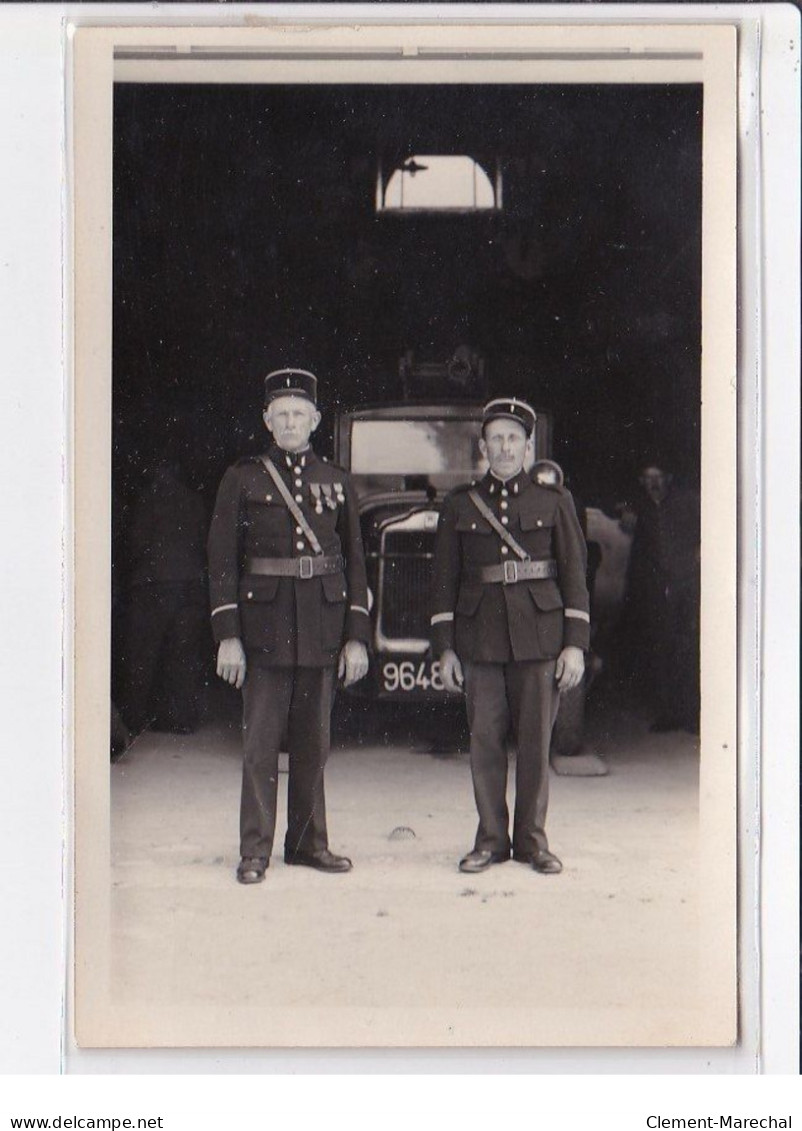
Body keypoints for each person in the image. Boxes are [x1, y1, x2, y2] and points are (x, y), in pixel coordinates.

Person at [208, 369, 370, 884]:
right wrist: (228, 634)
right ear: (267, 420)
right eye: (281, 414)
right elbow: (222, 561)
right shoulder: (243, 478)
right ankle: (254, 850)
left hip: (321, 628)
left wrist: (356, 637)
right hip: (263, 630)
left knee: (313, 744)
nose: (291, 422)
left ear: (316, 420)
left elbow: (356, 565)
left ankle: (307, 845)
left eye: (299, 413)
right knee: (259, 747)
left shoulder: (337, 481)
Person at [430, 398, 590, 875]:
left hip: (540, 639)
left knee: (536, 746)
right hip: (479, 640)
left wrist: (575, 644)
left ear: (528, 446)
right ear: (482, 446)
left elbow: (575, 576)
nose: (504, 447)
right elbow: (444, 581)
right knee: (485, 744)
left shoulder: (555, 501)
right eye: (495, 439)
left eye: (513, 439)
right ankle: (491, 840)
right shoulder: (459, 504)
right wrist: (445, 650)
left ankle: (533, 842)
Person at [623, 461, 700, 733]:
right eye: (647, 477)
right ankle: (670, 713)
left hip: (687, 586)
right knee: (662, 649)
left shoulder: (687, 502)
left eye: (658, 477)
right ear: (641, 482)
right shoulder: (642, 509)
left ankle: (693, 715)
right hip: (658, 591)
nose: (653, 483)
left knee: (689, 648)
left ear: (669, 478)